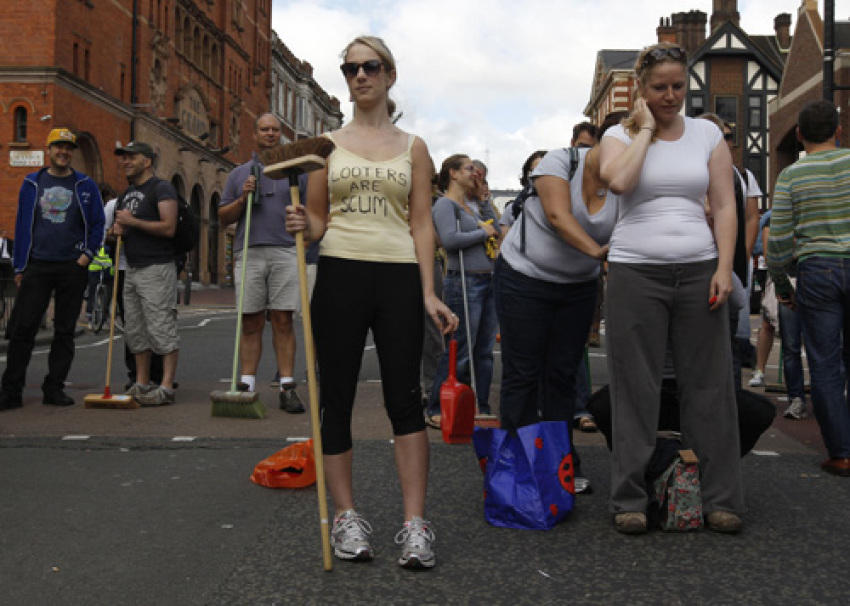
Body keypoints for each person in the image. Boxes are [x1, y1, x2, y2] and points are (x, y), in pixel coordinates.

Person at [285, 35, 456, 569]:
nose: (360, 76)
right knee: (335, 398)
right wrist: (301, 224)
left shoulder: (415, 147)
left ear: (389, 75)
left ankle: (414, 524)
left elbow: (422, 222)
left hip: (400, 275)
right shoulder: (324, 145)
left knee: (404, 400)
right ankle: (347, 518)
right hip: (339, 272)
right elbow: (317, 219)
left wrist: (429, 291)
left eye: (370, 66)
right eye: (351, 68)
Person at [599, 43, 744, 534]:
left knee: (710, 386)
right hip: (635, 271)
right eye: (659, 87)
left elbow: (724, 206)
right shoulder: (617, 136)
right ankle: (630, 500)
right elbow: (617, 182)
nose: (670, 96)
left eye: (678, 86)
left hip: (700, 267)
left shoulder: (707, 134)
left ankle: (720, 498)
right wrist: (642, 131)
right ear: (641, 89)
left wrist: (725, 267)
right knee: (633, 386)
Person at [495, 113, 617, 496]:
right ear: (599, 141)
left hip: (578, 286)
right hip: (524, 277)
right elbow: (557, 216)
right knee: (523, 373)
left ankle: (562, 463)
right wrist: (599, 253)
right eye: (617, 143)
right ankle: (515, 464)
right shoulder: (561, 162)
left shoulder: (629, 181)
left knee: (562, 376)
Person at [767, 99, 850, 477]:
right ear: (838, 130)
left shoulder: (791, 177)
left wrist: (783, 286)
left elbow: (780, 240)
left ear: (799, 136)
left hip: (817, 270)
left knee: (825, 364)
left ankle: (841, 453)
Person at [0, 128, 105, 411]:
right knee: (23, 330)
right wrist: (20, 265)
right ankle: (11, 391)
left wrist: (87, 255)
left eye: (68, 148)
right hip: (37, 265)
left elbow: (98, 224)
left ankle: (54, 388)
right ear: (49, 151)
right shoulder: (32, 183)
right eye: (58, 147)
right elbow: (23, 225)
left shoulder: (85, 185)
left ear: (72, 153)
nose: (63, 152)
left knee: (64, 330)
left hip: (72, 267)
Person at [219, 113, 307, 413]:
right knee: (251, 320)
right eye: (264, 130)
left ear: (280, 134)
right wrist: (243, 198)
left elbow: (312, 214)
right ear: (254, 134)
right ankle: (246, 382)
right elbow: (224, 217)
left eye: (275, 130)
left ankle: (286, 385)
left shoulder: (295, 172)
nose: (270, 134)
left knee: (283, 320)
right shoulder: (239, 173)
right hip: (250, 251)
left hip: (285, 251)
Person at [426, 154, 500, 424]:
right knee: (461, 348)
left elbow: (498, 230)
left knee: (483, 350)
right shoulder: (446, 205)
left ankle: (479, 403)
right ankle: (436, 407)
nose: (475, 174)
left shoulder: (473, 205)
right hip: (463, 280)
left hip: (487, 279)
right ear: (453, 174)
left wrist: (484, 200)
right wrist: (484, 233)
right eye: (469, 169)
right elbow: (449, 240)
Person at [110, 141, 180, 407]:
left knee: (161, 326)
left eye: (132, 157)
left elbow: (168, 227)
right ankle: (141, 382)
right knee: (135, 330)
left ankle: (166, 385)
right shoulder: (127, 193)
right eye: (124, 158)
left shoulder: (161, 188)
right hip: (132, 268)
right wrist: (117, 231)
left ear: (147, 161)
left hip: (156, 267)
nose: (126, 161)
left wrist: (132, 222)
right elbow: (125, 228)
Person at [761, 215, 808, 419]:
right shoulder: (776, 217)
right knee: (791, 345)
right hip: (791, 279)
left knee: (825, 346)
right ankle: (796, 398)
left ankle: (825, 400)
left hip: (813, 278)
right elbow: (771, 249)